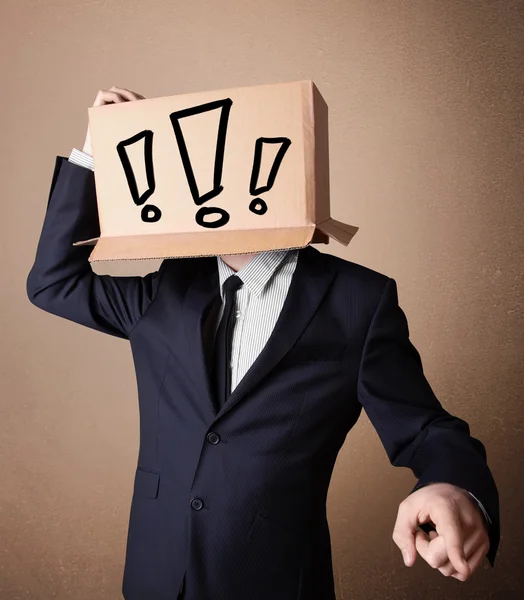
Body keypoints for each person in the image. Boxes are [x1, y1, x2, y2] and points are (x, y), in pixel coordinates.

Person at [26, 86, 499, 600]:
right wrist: (97, 150)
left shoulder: (357, 301)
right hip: (157, 575)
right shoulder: (166, 288)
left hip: (273, 578)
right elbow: (53, 281)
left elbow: (426, 428)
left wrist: (454, 486)